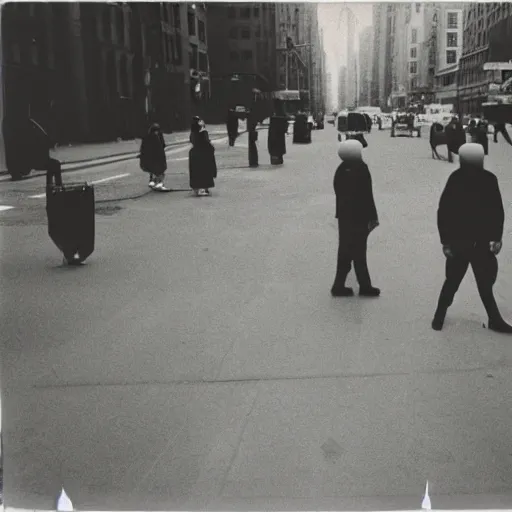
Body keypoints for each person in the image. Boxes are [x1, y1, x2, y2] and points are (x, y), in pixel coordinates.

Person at [432, 143, 512, 333]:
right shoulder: (485, 179)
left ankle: (440, 317)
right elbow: (497, 212)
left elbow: (443, 212)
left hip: (470, 243)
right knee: (464, 283)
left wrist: (446, 241)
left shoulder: (458, 178)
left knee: (455, 282)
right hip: (473, 242)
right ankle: (440, 315)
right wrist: (496, 237)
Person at [331, 139, 380, 298]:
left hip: (345, 216)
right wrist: (372, 216)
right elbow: (367, 195)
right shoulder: (361, 168)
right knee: (359, 251)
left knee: (346, 249)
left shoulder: (340, 169)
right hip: (359, 216)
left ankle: (340, 284)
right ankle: (363, 286)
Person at [189, 116, 217, 196]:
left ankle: (197, 188)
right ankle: (203, 188)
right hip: (203, 153)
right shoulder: (203, 132)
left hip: (194, 153)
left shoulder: (193, 132)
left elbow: (193, 141)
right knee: (204, 171)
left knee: (196, 171)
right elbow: (206, 142)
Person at [139, 123, 167, 190]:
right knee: (160, 169)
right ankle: (159, 183)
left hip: (151, 156)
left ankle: (152, 181)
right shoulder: (158, 135)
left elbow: (143, 147)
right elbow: (162, 145)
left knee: (153, 168)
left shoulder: (147, 136)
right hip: (158, 155)